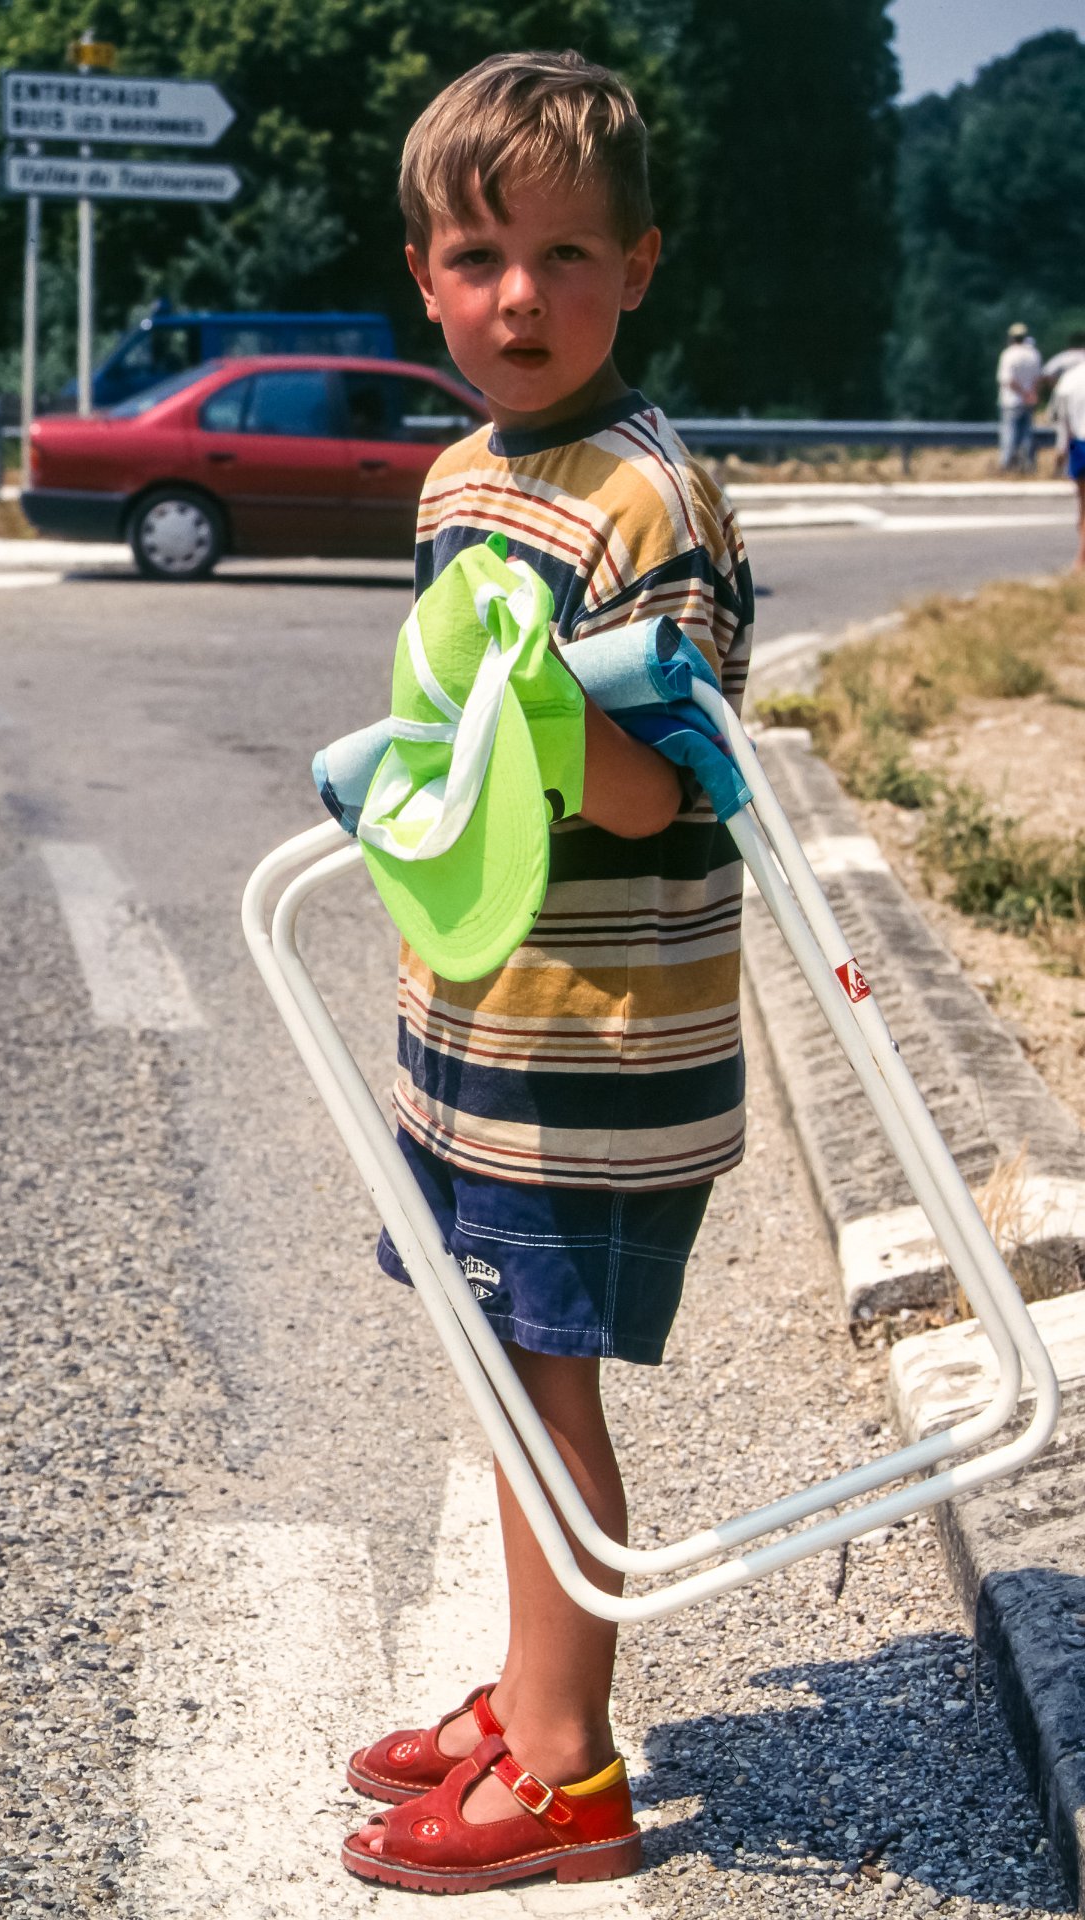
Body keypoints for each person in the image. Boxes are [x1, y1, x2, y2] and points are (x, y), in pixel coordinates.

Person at [340, 50, 753, 1894]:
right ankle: (530, 1686)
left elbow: (668, 788)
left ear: (638, 265)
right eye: (479, 257)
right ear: (424, 275)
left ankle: (569, 1770)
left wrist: (526, 706)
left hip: (599, 1042)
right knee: (502, 1364)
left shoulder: (649, 503)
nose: (522, 297)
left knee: (545, 1386)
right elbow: (455, 734)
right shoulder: (463, 476)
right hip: (478, 1010)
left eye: (567, 254)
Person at [1051, 355, 1085, 570]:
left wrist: (1060, 451)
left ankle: (1080, 560)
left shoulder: (1070, 378)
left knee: (1082, 504)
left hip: (1079, 445)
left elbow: (1061, 419)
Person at [996, 322, 1042, 472]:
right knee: (1027, 434)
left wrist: (1023, 393)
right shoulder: (1033, 354)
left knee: (1009, 434)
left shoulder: (1008, 354)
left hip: (1011, 401)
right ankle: (1027, 464)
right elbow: (1037, 378)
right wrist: (1031, 394)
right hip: (1029, 401)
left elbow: (1008, 380)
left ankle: (1007, 464)